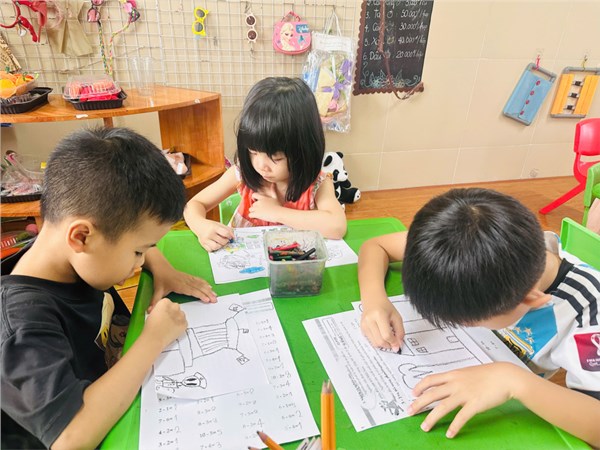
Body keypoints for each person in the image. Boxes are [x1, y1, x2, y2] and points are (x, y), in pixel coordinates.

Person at [1, 127, 217, 449]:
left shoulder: (74, 254)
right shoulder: (21, 326)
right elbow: (69, 439)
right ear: (81, 237)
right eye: (138, 251)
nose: (140, 262)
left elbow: (119, 236)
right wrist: (154, 338)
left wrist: (161, 266)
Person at [358, 188, 600, 447]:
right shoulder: (463, 244)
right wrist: (374, 300)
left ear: (531, 300)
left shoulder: (587, 312)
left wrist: (513, 381)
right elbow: (376, 246)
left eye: (467, 321)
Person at [184, 77, 346, 252]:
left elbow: (337, 226)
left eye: (275, 158)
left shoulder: (317, 184)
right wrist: (200, 226)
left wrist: (277, 212)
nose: (260, 165)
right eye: (253, 152)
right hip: (244, 260)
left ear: (304, 150)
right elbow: (194, 204)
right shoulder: (241, 173)